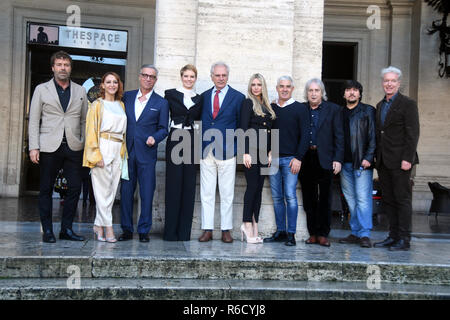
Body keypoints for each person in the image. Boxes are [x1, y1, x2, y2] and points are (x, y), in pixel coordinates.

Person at [28, 50, 88, 243]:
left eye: (67, 65)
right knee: (45, 189)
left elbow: (85, 120)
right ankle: (47, 230)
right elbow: (34, 119)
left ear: (70, 68)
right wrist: (33, 147)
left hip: (73, 146)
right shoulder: (41, 89)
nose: (63, 68)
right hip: (48, 146)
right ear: (53, 67)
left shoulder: (80, 90)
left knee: (74, 188)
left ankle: (66, 229)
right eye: (59, 65)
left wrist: (85, 143)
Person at [119, 65, 169, 243]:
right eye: (145, 75)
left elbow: (164, 129)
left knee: (147, 193)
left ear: (155, 80)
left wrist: (154, 138)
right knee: (125, 192)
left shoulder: (161, 103)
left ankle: (143, 231)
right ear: (139, 77)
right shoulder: (126, 96)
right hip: (127, 152)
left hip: (147, 154)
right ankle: (126, 229)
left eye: (152, 77)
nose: (148, 79)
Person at [373, 66, 420, 251]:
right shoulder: (380, 105)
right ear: (382, 83)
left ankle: (404, 239)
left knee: (402, 200)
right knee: (389, 200)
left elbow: (413, 133)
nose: (389, 84)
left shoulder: (408, 104)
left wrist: (407, 158)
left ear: (399, 83)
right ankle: (392, 236)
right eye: (386, 81)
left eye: (393, 81)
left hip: (401, 160)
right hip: (384, 160)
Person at [198, 62, 245, 243]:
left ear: (228, 76)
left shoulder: (238, 98)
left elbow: (241, 125)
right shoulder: (204, 96)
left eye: (224, 75)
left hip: (227, 151)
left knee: (227, 193)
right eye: (217, 75)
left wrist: (237, 148)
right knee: (206, 192)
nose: (220, 78)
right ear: (211, 77)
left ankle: (226, 230)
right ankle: (207, 230)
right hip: (206, 151)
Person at [263, 76, 309, 246]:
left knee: (290, 195)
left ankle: (291, 234)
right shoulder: (271, 108)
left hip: (291, 160)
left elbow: (305, 135)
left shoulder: (299, 109)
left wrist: (298, 158)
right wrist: (268, 150)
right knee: (276, 197)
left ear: (292, 88)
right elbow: (267, 131)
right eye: (281, 86)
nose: (284, 89)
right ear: (276, 88)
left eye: (288, 87)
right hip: (273, 159)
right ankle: (281, 231)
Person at [83, 72, 127, 243]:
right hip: (102, 146)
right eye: (108, 82)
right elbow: (91, 131)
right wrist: (95, 154)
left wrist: (123, 154)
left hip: (118, 149)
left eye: (115, 82)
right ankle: (108, 228)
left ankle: (97, 225)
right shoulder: (97, 105)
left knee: (111, 191)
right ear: (102, 85)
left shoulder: (121, 105)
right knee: (101, 192)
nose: (112, 85)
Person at [299, 78, 344, 247]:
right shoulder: (301, 109)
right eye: (310, 90)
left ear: (322, 92)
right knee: (309, 198)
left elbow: (339, 136)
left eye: (317, 90)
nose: (313, 93)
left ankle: (323, 234)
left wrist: (338, 159)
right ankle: (313, 233)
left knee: (325, 198)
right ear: (307, 93)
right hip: (306, 159)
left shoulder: (333, 109)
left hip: (325, 158)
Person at [163, 64, 202, 241]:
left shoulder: (199, 98)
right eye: (186, 76)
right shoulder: (170, 94)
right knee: (174, 184)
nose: (188, 79)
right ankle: (170, 232)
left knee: (188, 185)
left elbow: (200, 122)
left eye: (192, 76)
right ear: (181, 76)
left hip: (192, 139)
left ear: (195, 78)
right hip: (176, 138)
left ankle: (184, 232)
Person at [337, 80, 376, 248]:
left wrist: (368, 157)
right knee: (351, 199)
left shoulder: (368, 111)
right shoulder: (339, 112)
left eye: (355, 90)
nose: (351, 93)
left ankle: (365, 234)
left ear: (360, 94)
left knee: (363, 199)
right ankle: (355, 232)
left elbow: (374, 137)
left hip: (361, 162)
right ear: (344, 94)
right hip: (344, 163)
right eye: (348, 90)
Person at [240, 74, 276, 243]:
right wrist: (245, 152)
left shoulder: (268, 106)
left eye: (259, 84)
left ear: (263, 87)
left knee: (259, 190)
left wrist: (271, 151)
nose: (255, 87)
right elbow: (242, 128)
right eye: (253, 84)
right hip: (252, 152)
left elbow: (272, 130)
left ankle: (255, 224)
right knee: (252, 187)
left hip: (264, 154)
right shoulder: (248, 103)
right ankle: (246, 224)